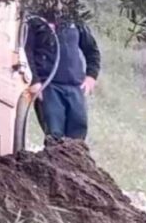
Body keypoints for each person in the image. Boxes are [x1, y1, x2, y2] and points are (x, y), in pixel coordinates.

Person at [24, 9, 101, 142]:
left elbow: (92, 50)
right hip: (48, 87)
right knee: (54, 134)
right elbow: (26, 51)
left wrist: (91, 76)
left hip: (75, 86)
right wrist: (34, 82)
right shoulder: (35, 21)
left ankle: (75, 156)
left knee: (78, 132)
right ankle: (53, 154)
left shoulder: (74, 19)